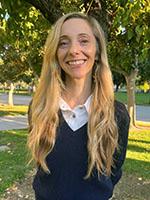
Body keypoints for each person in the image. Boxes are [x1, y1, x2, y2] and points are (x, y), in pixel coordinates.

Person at [27, 12, 130, 200]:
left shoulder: (117, 114)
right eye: (63, 42)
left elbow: (113, 173)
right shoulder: (39, 108)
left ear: (97, 50)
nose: (74, 50)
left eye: (83, 41)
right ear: (55, 53)